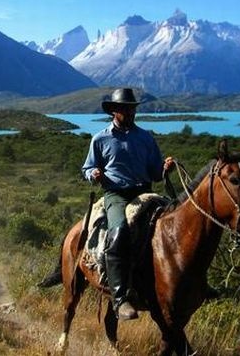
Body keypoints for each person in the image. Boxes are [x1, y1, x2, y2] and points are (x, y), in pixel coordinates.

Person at [82, 88, 174, 320]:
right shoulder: (100, 138)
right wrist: (94, 173)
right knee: (120, 231)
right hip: (116, 195)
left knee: (178, 224)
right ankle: (120, 298)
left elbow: (155, 173)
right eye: (125, 108)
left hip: (145, 192)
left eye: (132, 108)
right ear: (114, 110)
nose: (130, 112)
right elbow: (87, 168)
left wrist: (164, 169)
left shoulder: (145, 137)